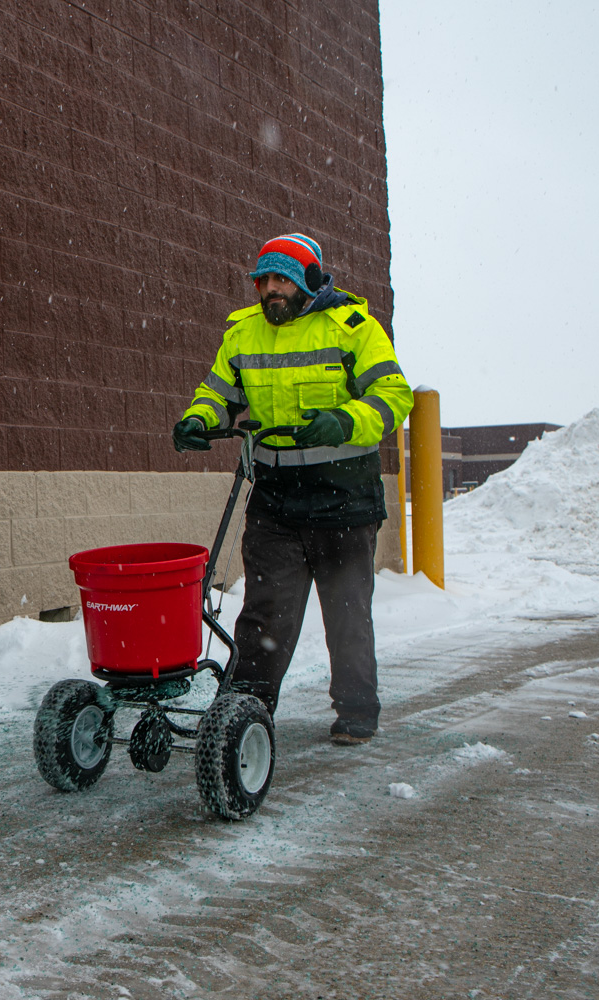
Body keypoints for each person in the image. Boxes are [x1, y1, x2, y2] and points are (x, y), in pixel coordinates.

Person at [172, 234, 414, 744]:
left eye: (281, 279)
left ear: (307, 279)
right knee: (265, 613)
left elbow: (394, 396)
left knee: (346, 614)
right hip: (276, 499)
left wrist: (344, 421)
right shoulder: (244, 335)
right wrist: (198, 419)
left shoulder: (352, 329)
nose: (270, 290)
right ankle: (245, 713)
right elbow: (218, 393)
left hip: (344, 498)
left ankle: (356, 711)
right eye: (263, 281)